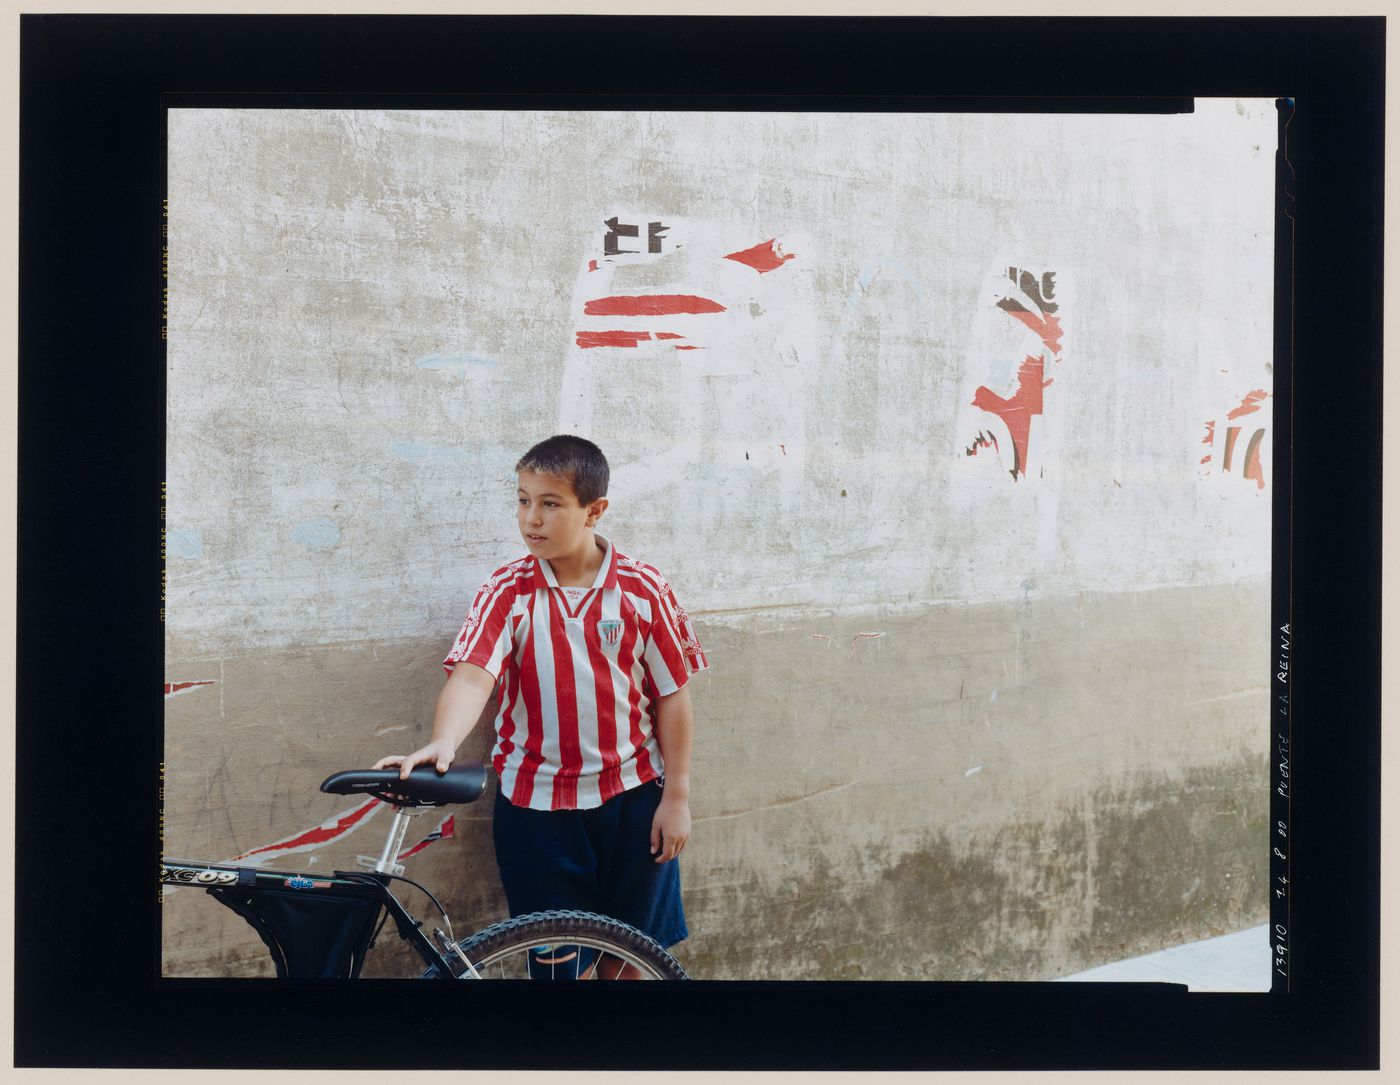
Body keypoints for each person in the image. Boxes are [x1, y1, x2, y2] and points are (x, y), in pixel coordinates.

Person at [375, 434, 707, 978]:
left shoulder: (644, 590)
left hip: (634, 803)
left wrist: (677, 797)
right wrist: (444, 741)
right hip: (537, 809)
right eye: (523, 500)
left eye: (550, 504)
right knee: (555, 965)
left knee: (631, 959)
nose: (532, 519)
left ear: (594, 510)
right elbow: (473, 675)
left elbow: (673, 694)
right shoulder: (508, 591)